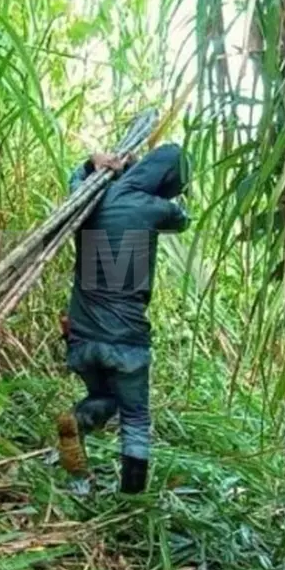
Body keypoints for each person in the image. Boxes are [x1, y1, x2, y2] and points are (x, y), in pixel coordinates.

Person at [56, 143, 191, 494]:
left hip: (81, 334)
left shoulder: (90, 195)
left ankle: (79, 425)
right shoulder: (154, 207)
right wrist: (140, 175)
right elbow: (183, 219)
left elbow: (74, 181)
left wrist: (92, 165)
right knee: (135, 417)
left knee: (106, 397)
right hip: (125, 338)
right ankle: (131, 497)